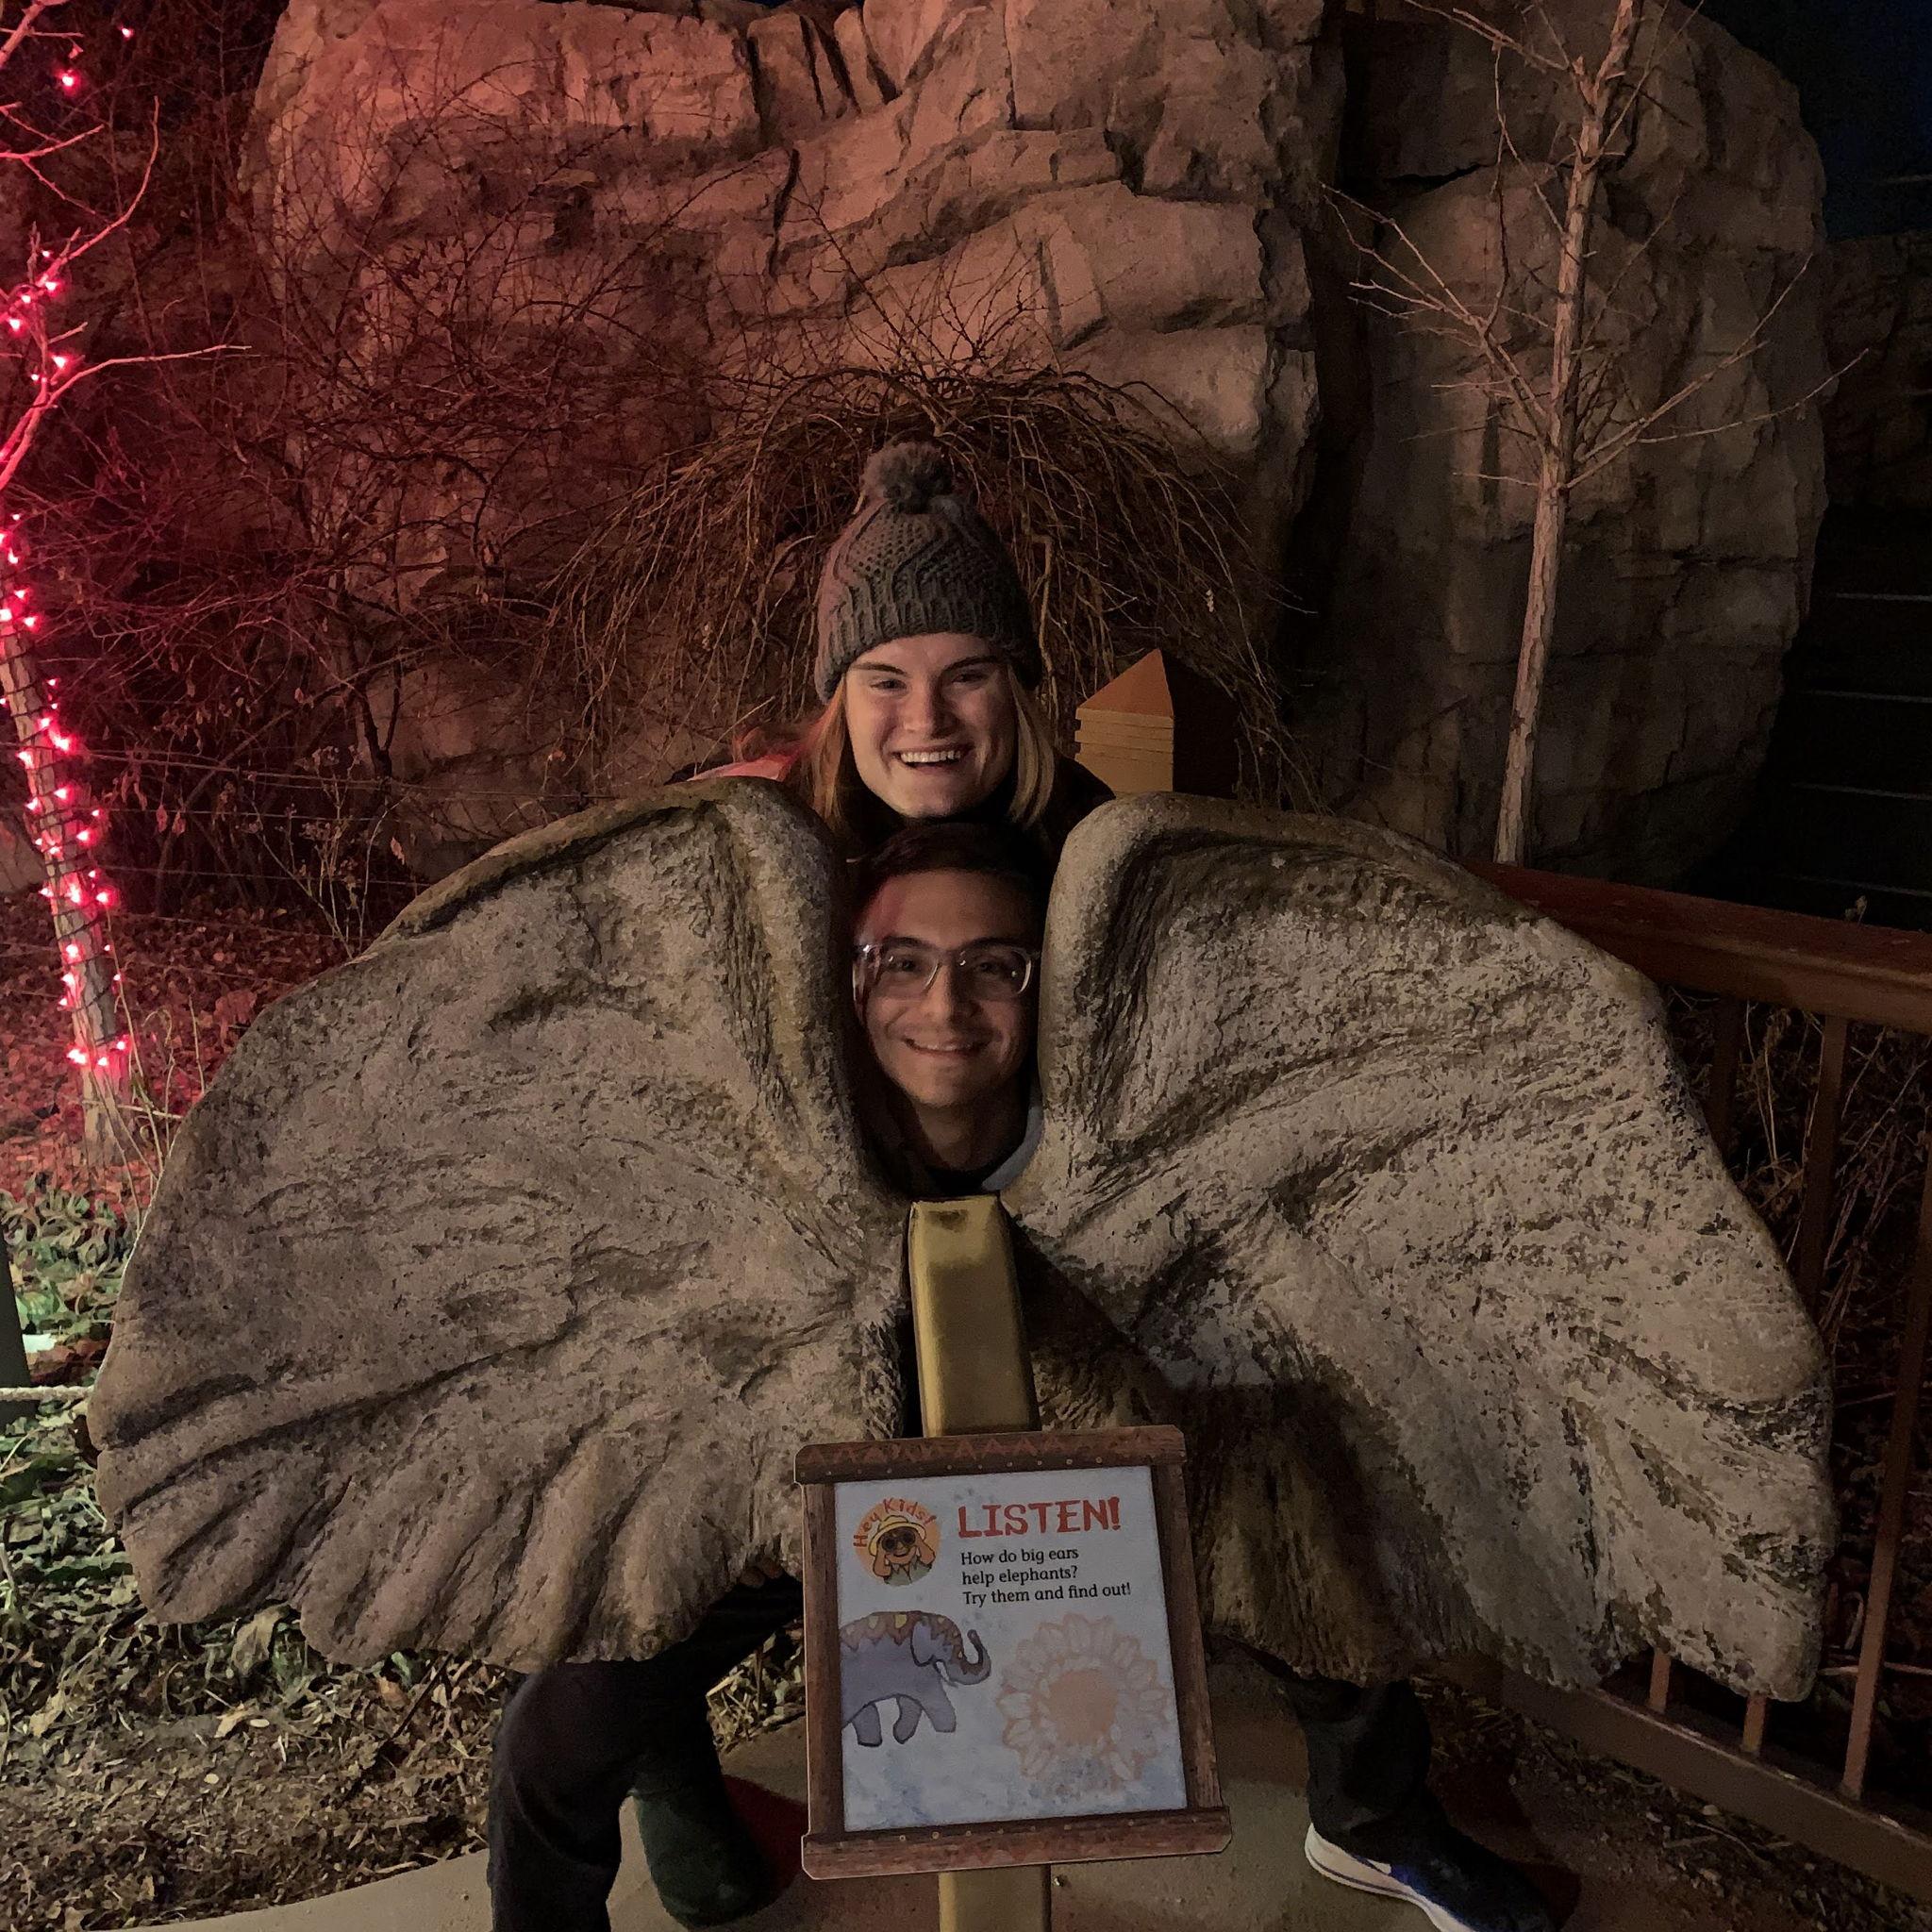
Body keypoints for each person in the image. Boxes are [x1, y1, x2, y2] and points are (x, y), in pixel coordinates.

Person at [692, 438, 1110, 861]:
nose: (927, 720)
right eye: (888, 683)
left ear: (1014, 689)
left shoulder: (1093, 841)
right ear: (842, 702)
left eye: (966, 677)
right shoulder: (746, 843)